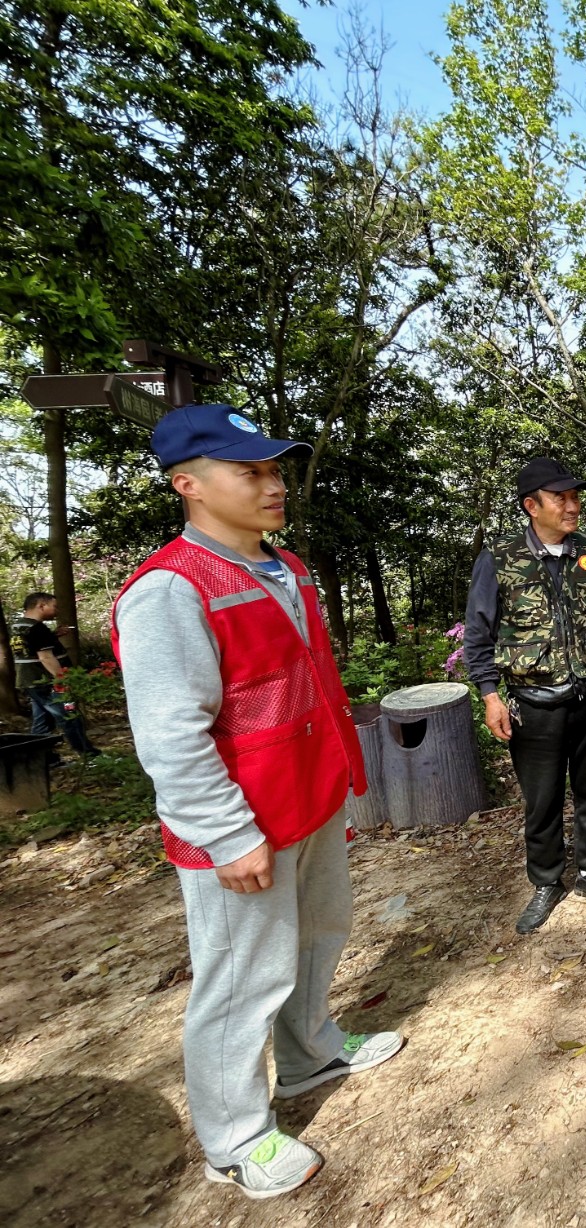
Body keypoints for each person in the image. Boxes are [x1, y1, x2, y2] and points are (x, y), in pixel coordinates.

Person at [112, 405, 402, 1199]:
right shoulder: (169, 590)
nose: (274, 485)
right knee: (242, 979)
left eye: (274, 470)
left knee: (317, 937)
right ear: (190, 485)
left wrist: (342, 779)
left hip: (307, 803)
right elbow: (171, 735)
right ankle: (234, 1135)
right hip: (243, 829)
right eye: (252, 472)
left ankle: (311, 1053)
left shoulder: (288, 567)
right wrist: (223, 833)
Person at [464, 457, 586, 934]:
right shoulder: (500, 558)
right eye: (561, 498)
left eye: (575, 497)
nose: (572, 505)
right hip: (533, 698)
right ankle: (546, 880)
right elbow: (479, 632)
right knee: (541, 798)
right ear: (531, 506)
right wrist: (490, 694)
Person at [9, 591, 101, 760]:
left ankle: (42, 759)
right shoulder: (38, 629)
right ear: (41, 606)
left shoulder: (19, 626)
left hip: (29, 681)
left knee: (42, 722)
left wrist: (53, 636)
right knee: (69, 716)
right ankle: (89, 755)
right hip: (46, 682)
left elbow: (30, 647)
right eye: (54, 606)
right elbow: (45, 657)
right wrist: (63, 679)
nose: (56, 610)